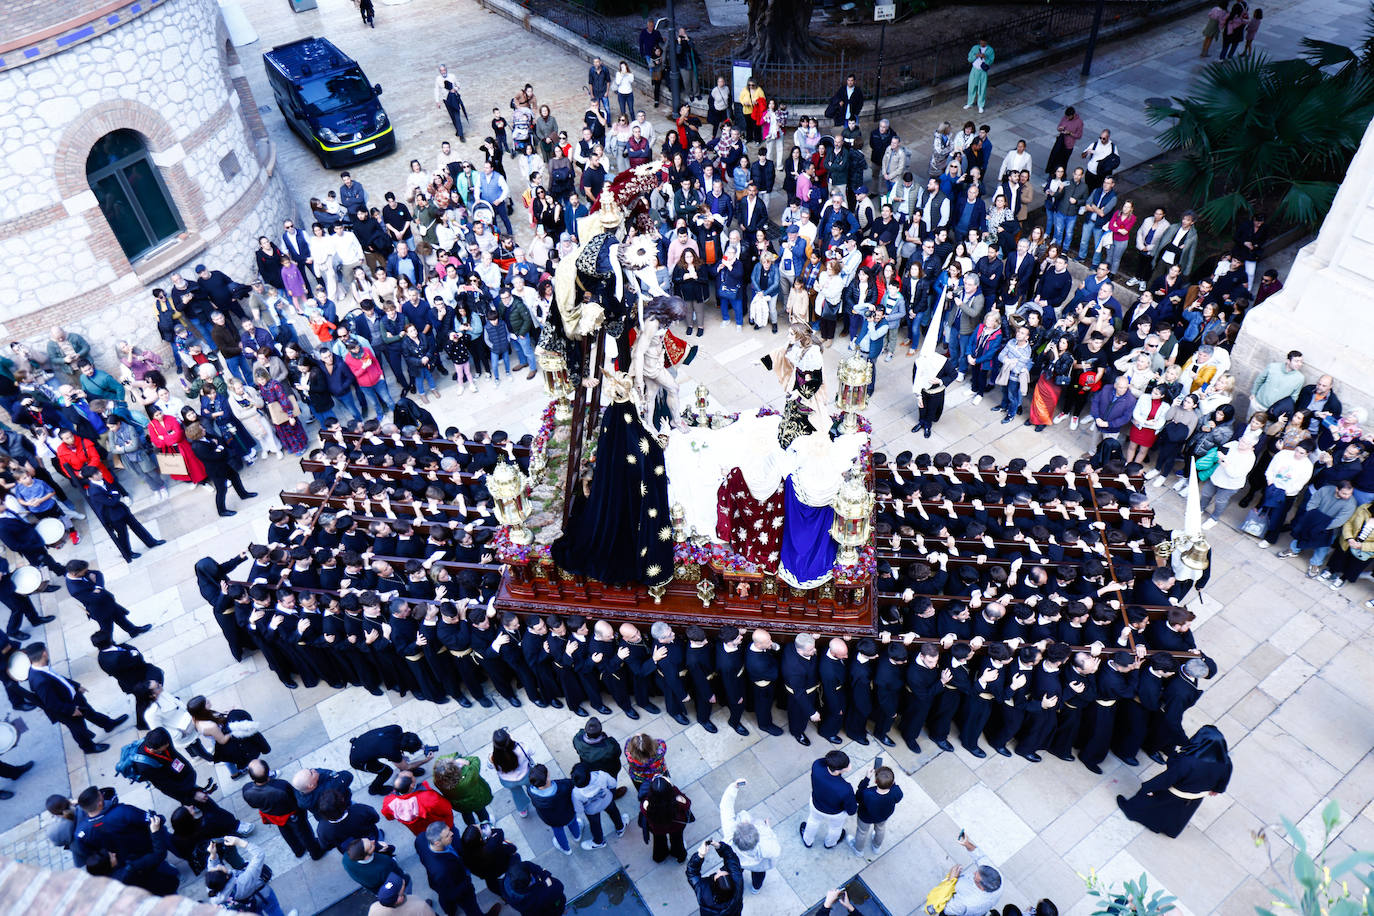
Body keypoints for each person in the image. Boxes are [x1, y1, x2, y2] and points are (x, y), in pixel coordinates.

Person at [1118, 724, 1232, 837]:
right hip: (1196, 797)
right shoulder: (1226, 762)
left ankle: (1131, 811)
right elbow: (1223, 782)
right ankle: (1170, 831)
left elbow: (1167, 778)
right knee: (1179, 814)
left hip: (1175, 792)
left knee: (1150, 805)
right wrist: (1217, 789)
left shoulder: (1188, 762)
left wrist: (1147, 787)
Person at [26, 642, 128, 752]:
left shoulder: (41, 667)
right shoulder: (40, 681)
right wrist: (71, 710)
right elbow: (52, 703)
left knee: (90, 713)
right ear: (44, 654)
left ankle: (108, 724)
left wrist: (76, 686)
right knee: (78, 729)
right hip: (67, 709)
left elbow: (58, 679)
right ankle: (88, 748)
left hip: (73, 698)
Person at [243, 759, 326, 860]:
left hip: (273, 816)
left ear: (252, 776)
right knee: (304, 833)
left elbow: (253, 805)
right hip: (292, 814)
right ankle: (315, 852)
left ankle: (298, 851)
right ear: (268, 771)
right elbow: (296, 800)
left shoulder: (247, 790)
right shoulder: (281, 786)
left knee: (286, 832)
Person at [80, 466, 165, 561]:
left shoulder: (102, 480)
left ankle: (151, 542)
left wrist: (113, 495)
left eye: (98, 471)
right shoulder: (94, 491)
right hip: (113, 517)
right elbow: (112, 502)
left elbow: (114, 490)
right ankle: (128, 553)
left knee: (137, 527)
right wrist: (114, 495)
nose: (100, 473)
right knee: (123, 535)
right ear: (90, 478)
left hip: (121, 509)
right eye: (96, 473)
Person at [414, 822, 499, 916]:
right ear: (437, 842)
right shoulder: (442, 870)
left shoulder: (421, 839)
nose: (452, 833)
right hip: (459, 885)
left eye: (449, 830)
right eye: (447, 835)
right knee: (471, 907)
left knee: (444, 897)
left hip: (438, 883)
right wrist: (467, 882)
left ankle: (450, 911)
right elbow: (452, 892)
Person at [85, 811, 179, 896]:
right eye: (111, 856)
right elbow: (159, 854)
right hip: (160, 889)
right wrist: (155, 832)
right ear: (107, 866)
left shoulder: (107, 883)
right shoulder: (130, 869)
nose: (113, 854)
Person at [718, 777, 780, 894]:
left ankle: (736, 885)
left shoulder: (730, 832)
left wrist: (734, 787)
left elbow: (725, 807)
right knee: (759, 874)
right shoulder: (764, 842)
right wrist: (768, 829)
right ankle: (756, 888)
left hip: (737, 860)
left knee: (736, 871)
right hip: (757, 865)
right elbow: (775, 851)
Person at [206, 836, 290, 916]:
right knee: (273, 909)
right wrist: (241, 842)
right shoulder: (243, 882)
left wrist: (213, 855)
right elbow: (259, 855)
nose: (217, 866)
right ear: (226, 877)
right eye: (219, 868)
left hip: (248, 908)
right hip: (263, 896)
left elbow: (212, 869)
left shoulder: (212, 889)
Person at [352, 724, 438, 795]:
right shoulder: (392, 751)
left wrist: (421, 746)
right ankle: (374, 789)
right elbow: (406, 767)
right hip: (358, 760)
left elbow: (401, 747)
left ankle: (410, 773)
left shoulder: (396, 729)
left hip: (362, 742)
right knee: (386, 772)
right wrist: (426, 760)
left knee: (400, 761)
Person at [800, 750, 855, 850]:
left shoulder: (817, 765)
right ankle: (830, 844)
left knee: (813, 821)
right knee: (835, 828)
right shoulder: (845, 788)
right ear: (838, 771)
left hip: (816, 804)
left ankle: (807, 840)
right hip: (835, 813)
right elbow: (852, 810)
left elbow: (825, 761)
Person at [943, 832, 1002, 916]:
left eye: (975, 878)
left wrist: (950, 880)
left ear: (982, 888)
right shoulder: (997, 875)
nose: (974, 873)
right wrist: (967, 844)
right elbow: (980, 857)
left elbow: (947, 910)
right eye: (976, 872)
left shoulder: (967, 902)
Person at [850, 763, 903, 857]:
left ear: (875, 781)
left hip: (865, 817)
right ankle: (876, 847)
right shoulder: (896, 791)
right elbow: (899, 798)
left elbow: (857, 798)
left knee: (862, 832)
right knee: (880, 829)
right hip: (883, 816)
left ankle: (859, 850)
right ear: (892, 782)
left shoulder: (867, 793)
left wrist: (866, 778)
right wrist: (892, 783)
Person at [382, 771, 455, 837]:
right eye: (412, 776)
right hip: (441, 828)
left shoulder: (388, 802)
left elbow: (389, 817)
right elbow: (447, 809)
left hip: (419, 832)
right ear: (412, 785)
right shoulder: (429, 798)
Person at [641, 774, 692, 863]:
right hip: (676, 826)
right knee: (677, 841)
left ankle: (659, 856)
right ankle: (678, 855)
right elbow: (687, 804)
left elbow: (645, 814)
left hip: (657, 827)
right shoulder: (678, 799)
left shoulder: (646, 804)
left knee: (659, 842)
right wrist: (673, 787)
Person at [685, 839, 744, 916]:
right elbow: (731, 859)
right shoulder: (737, 885)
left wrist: (700, 855)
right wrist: (719, 846)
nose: (718, 870)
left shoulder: (704, 893)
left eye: (717, 874)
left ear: (714, 885)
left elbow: (691, 873)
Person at [431, 754, 494, 827]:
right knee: (481, 812)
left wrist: (452, 763)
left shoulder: (437, 780)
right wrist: (462, 761)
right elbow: (475, 760)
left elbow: (441, 758)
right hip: (476, 801)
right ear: (455, 771)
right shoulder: (469, 777)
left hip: (459, 805)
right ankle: (486, 825)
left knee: (466, 814)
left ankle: (472, 827)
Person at [489, 727, 534, 817]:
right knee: (533, 788)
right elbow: (532, 751)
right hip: (526, 775)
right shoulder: (522, 748)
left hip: (508, 781)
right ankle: (536, 799)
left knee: (517, 794)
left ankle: (523, 810)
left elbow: (490, 766)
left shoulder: (493, 757)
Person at [502, 860, 566, 916]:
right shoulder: (541, 895)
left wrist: (545, 875)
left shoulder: (506, 882)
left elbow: (528, 864)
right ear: (530, 877)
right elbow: (559, 886)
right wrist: (546, 877)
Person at [371, 873, 436, 915]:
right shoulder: (420, 907)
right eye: (401, 885)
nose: (403, 881)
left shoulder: (374, 908)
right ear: (399, 899)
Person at [964, 40, 994, 113]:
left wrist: (985, 57)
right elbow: (969, 59)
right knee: (971, 87)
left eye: (983, 43)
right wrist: (976, 56)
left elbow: (991, 61)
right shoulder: (975, 48)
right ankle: (969, 103)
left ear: (986, 42)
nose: (982, 44)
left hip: (983, 71)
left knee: (982, 88)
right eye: (981, 43)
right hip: (974, 70)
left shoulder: (990, 50)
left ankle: (981, 105)